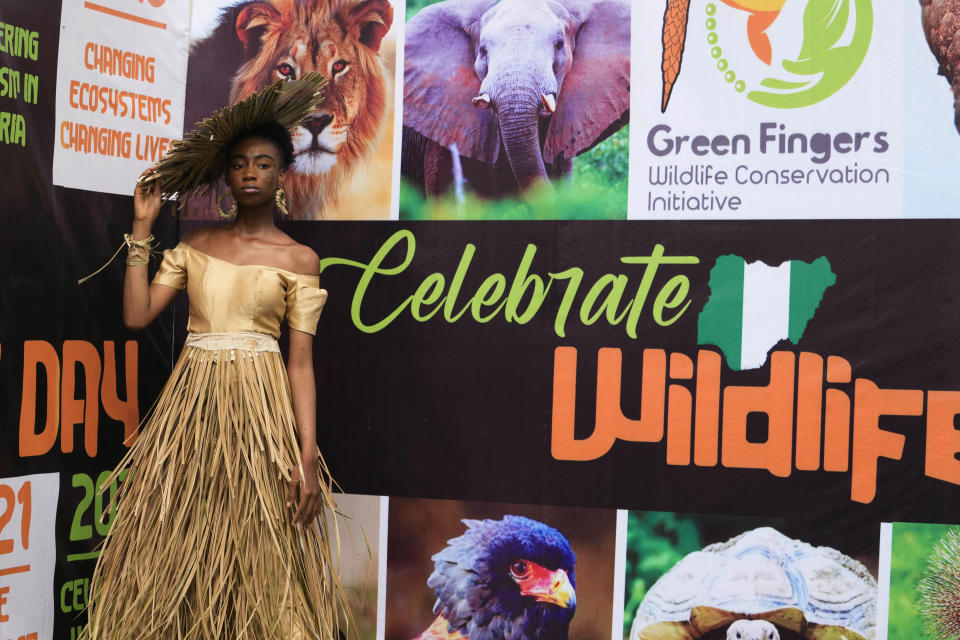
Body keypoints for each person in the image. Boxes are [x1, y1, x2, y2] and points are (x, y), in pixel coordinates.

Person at [82, 76, 348, 639]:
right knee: (181, 545)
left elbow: (300, 364)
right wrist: (143, 228)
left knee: (265, 553)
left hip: (261, 419)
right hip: (193, 413)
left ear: (282, 175)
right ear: (226, 174)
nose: (251, 173)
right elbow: (136, 315)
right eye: (240, 164)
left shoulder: (300, 259)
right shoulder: (196, 246)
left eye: (264, 164)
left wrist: (306, 456)